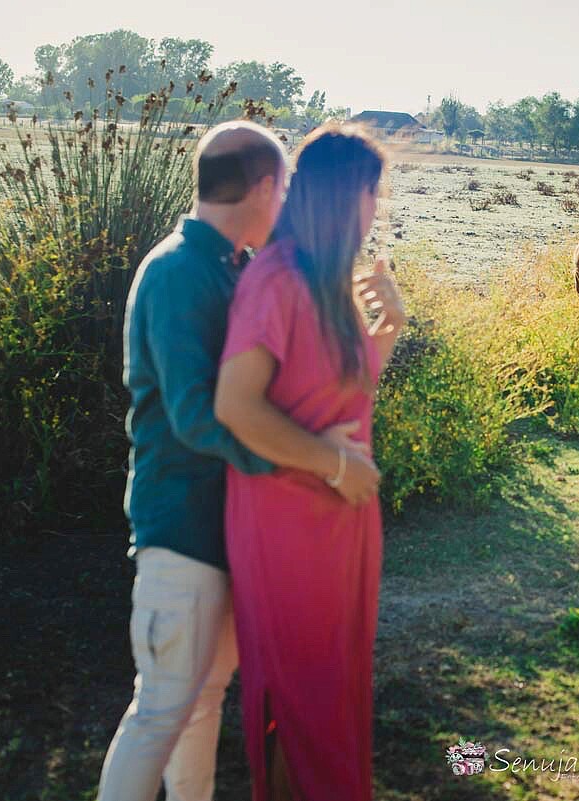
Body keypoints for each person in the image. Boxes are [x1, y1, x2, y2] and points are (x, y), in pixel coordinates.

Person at [100, 120, 365, 801]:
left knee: (203, 702)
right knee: (160, 708)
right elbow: (195, 414)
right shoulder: (175, 272)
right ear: (266, 187)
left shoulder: (229, 267)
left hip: (227, 536)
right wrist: (305, 462)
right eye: (282, 194)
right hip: (178, 533)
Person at [214, 123, 404, 801]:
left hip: (340, 529)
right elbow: (237, 404)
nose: (375, 208)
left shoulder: (327, 284)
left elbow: (336, 398)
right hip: (289, 528)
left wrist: (387, 333)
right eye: (372, 193)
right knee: (302, 702)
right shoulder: (279, 276)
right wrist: (332, 462)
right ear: (344, 195)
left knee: (333, 698)